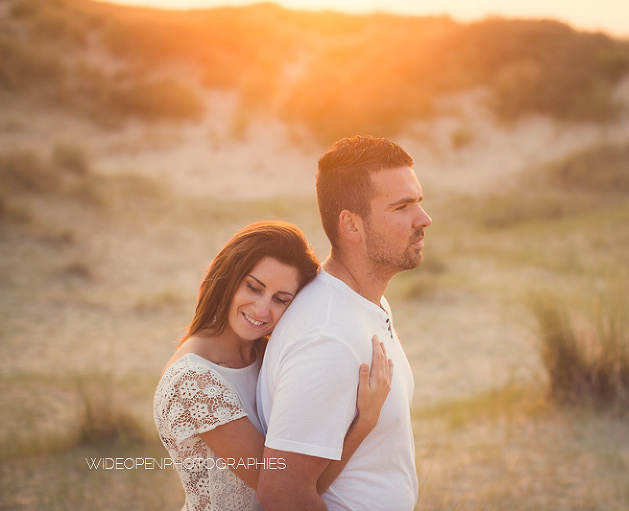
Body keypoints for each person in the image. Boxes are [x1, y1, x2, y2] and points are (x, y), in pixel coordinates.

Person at [153, 221, 394, 511]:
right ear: (229, 278)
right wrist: (365, 421)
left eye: (281, 299)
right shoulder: (194, 382)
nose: (262, 310)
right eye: (254, 288)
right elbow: (287, 492)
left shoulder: (264, 352)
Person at [256, 136, 432, 510]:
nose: (423, 219)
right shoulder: (326, 339)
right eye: (402, 207)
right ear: (352, 226)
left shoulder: (365, 301)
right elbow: (282, 496)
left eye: (419, 202)